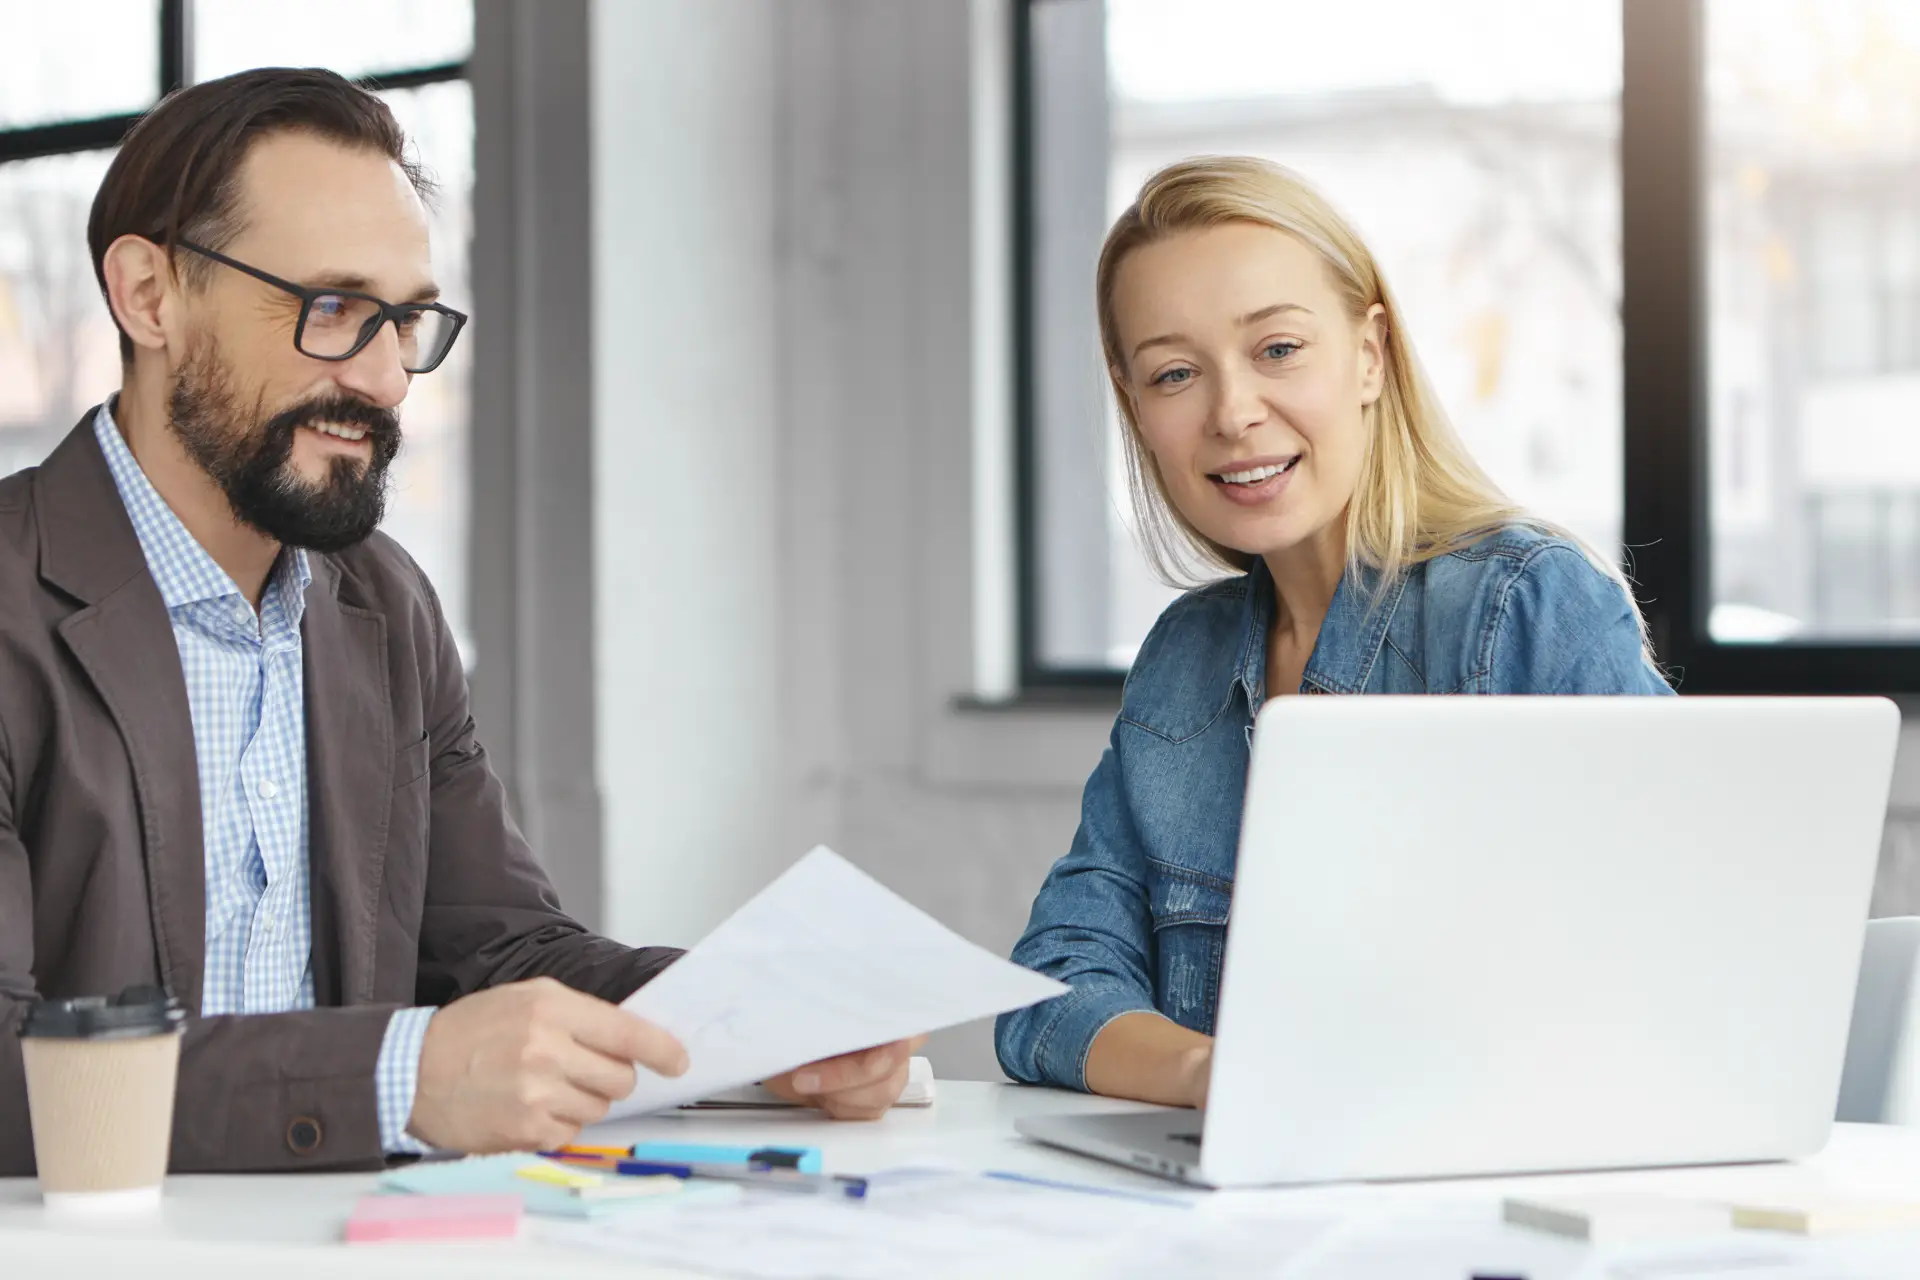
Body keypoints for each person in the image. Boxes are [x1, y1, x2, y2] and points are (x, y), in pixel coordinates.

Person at [0, 68, 918, 1177]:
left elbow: (500, 951)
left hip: (350, 1235)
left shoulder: (382, 604)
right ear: (150, 295)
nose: (388, 380)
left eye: (405, 321)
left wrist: (746, 1022)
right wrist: (398, 1077)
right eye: (333, 310)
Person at [995, 156, 1673, 1108]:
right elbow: (1048, 988)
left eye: (1277, 349)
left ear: (1369, 355)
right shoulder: (1183, 662)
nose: (1233, 413)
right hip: (1245, 1180)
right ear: (1135, 404)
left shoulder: (1520, 605)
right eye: (1175, 373)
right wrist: (1211, 1075)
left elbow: (1672, 969)